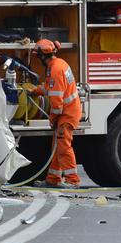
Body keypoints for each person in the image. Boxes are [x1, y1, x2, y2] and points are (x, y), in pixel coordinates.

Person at [29, 39, 82, 189]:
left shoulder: (55, 70)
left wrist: (52, 119)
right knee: (57, 145)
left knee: (63, 146)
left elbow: (57, 103)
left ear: (42, 56)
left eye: (38, 56)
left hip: (67, 113)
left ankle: (73, 181)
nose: (38, 60)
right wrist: (35, 91)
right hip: (69, 111)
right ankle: (53, 179)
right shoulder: (59, 64)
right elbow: (49, 88)